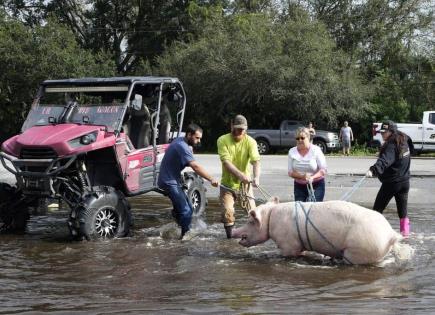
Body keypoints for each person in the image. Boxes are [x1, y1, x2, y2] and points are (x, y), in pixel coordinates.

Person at [158, 123, 219, 239]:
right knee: (186, 211)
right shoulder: (182, 146)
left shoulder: (180, 141)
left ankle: (175, 230)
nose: (198, 141)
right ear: (189, 134)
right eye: (197, 138)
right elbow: (195, 167)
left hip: (170, 179)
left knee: (189, 209)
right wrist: (211, 179)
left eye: (200, 138)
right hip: (169, 181)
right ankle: (184, 238)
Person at [217, 114, 261, 238]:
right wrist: (241, 175)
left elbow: (256, 161)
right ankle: (230, 239)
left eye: (241, 129)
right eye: (236, 128)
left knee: (253, 213)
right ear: (231, 126)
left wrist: (256, 177)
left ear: (246, 129)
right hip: (227, 185)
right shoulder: (222, 140)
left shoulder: (251, 142)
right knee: (228, 212)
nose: (238, 131)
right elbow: (226, 163)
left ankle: (255, 236)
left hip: (245, 186)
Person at [365, 120, 411, 237]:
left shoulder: (392, 144)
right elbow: (410, 150)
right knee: (403, 213)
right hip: (404, 182)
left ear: (392, 132)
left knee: (376, 211)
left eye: (384, 132)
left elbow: (385, 160)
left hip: (392, 183)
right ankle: (405, 235)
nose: (382, 134)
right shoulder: (404, 139)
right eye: (381, 132)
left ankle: (373, 235)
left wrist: (373, 170)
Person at [288, 127, 327, 202]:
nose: (300, 140)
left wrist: (312, 177)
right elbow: (290, 172)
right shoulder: (291, 151)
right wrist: (302, 176)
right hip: (299, 186)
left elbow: (323, 169)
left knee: (314, 209)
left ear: (308, 138)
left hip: (317, 184)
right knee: (300, 211)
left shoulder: (316, 150)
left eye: (302, 138)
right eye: (297, 138)